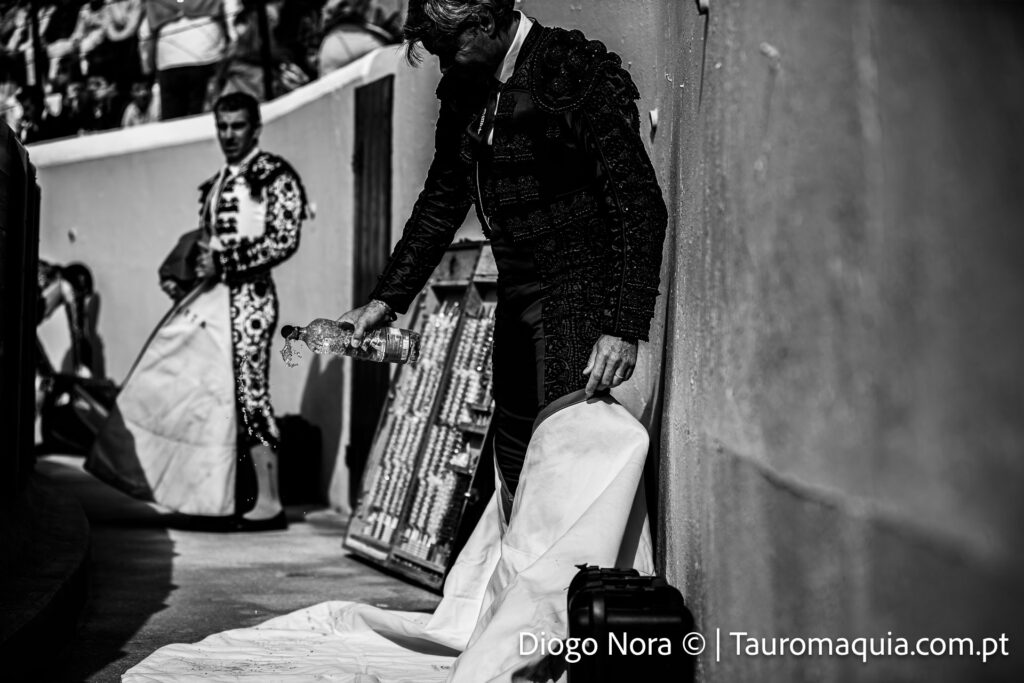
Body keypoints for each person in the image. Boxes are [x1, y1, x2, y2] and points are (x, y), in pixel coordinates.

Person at [337, 0, 667, 511]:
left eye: (449, 49)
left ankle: (566, 566)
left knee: (567, 446)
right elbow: (442, 201)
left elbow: (637, 202)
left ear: (485, 23)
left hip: (577, 290)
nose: (444, 66)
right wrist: (386, 300)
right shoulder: (467, 86)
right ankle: (520, 562)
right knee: (514, 446)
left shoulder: (570, 68)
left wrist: (623, 326)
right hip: (514, 289)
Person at [88, 91, 311, 531]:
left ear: (256, 128)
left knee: (250, 395)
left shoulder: (274, 174)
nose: (229, 135)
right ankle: (209, 494)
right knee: (204, 394)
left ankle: (269, 502)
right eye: (222, 127)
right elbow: (206, 242)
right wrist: (186, 274)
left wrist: (224, 262)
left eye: (238, 126)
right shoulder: (217, 183)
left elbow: (284, 239)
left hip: (249, 303)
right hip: (213, 300)